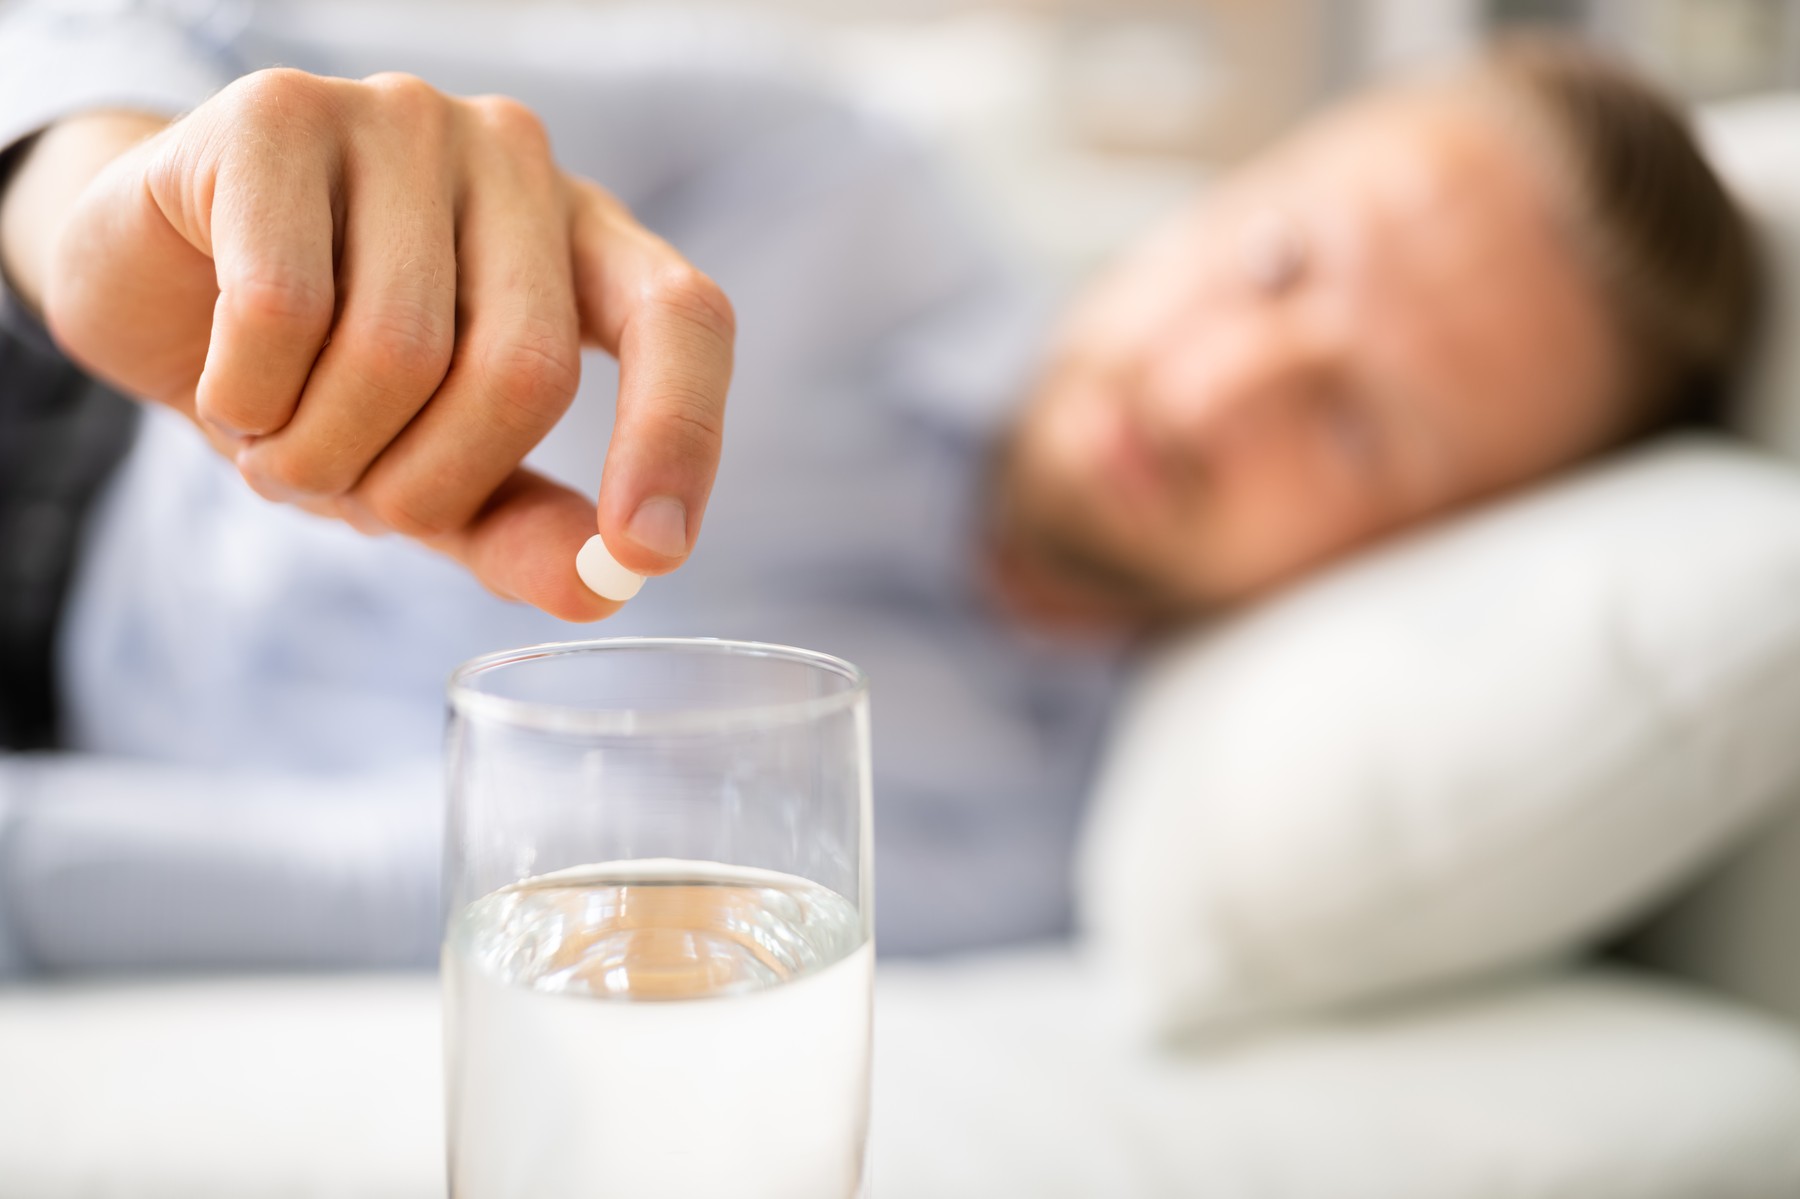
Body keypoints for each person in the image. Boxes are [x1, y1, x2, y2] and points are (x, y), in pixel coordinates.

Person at [0, 2, 1756, 972]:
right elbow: (149, 27)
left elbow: (377, 889)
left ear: (1432, 552)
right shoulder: (820, 168)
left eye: (1365, 426)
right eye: (1282, 263)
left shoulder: (985, 838)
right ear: (1234, 185)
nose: (1218, 386)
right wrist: (89, 199)